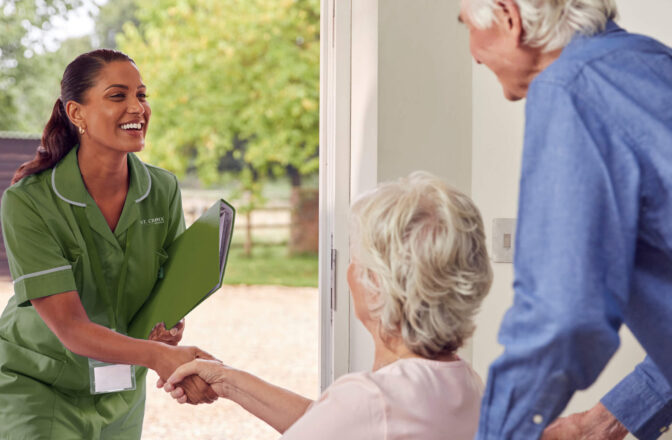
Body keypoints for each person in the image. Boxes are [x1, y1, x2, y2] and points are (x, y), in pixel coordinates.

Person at [457, 0, 672, 438]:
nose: (473, 54)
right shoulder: (648, 61)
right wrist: (605, 421)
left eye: (467, 28)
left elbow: (561, 317)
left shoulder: (569, 88)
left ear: (508, 17)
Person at [160, 172, 493, 439]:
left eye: (355, 258)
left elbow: (351, 418)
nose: (349, 271)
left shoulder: (371, 399)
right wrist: (226, 380)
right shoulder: (466, 383)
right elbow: (334, 423)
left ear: (377, 286)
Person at [0, 49, 218, 439]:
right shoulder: (28, 201)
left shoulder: (162, 190)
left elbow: (167, 290)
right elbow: (69, 326)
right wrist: (160, 356)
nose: (138, 107)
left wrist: (165, 333)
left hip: (119, 388)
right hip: (39, 384)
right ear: (76, 113)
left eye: (142, 95)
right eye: (118, 96)